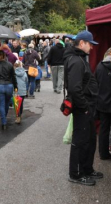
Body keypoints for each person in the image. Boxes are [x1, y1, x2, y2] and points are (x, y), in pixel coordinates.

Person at [63, 30, 101, 186]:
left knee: (90, 140)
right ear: (82, 43)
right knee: (80, 141)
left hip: (87, 107)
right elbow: (74, 88)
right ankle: (76, 174)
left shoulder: (79, 59)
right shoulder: (76, 61)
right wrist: (85, 107)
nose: (91, 48)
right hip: (82, 108)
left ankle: (87, 169)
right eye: (90, 44)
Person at [0, 50, 17, 130]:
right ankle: (4, 116)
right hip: (9, 85)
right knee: (7, 103)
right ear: (5, 56)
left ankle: (3, 121)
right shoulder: (10, 65)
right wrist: (16, 87)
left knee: (1, 104)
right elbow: (13, 76)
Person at [95, 47, 111, 160]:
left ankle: (103, 153)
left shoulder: (99, 67)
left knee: (104, 129)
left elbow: (95, 85)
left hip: (102, 103)